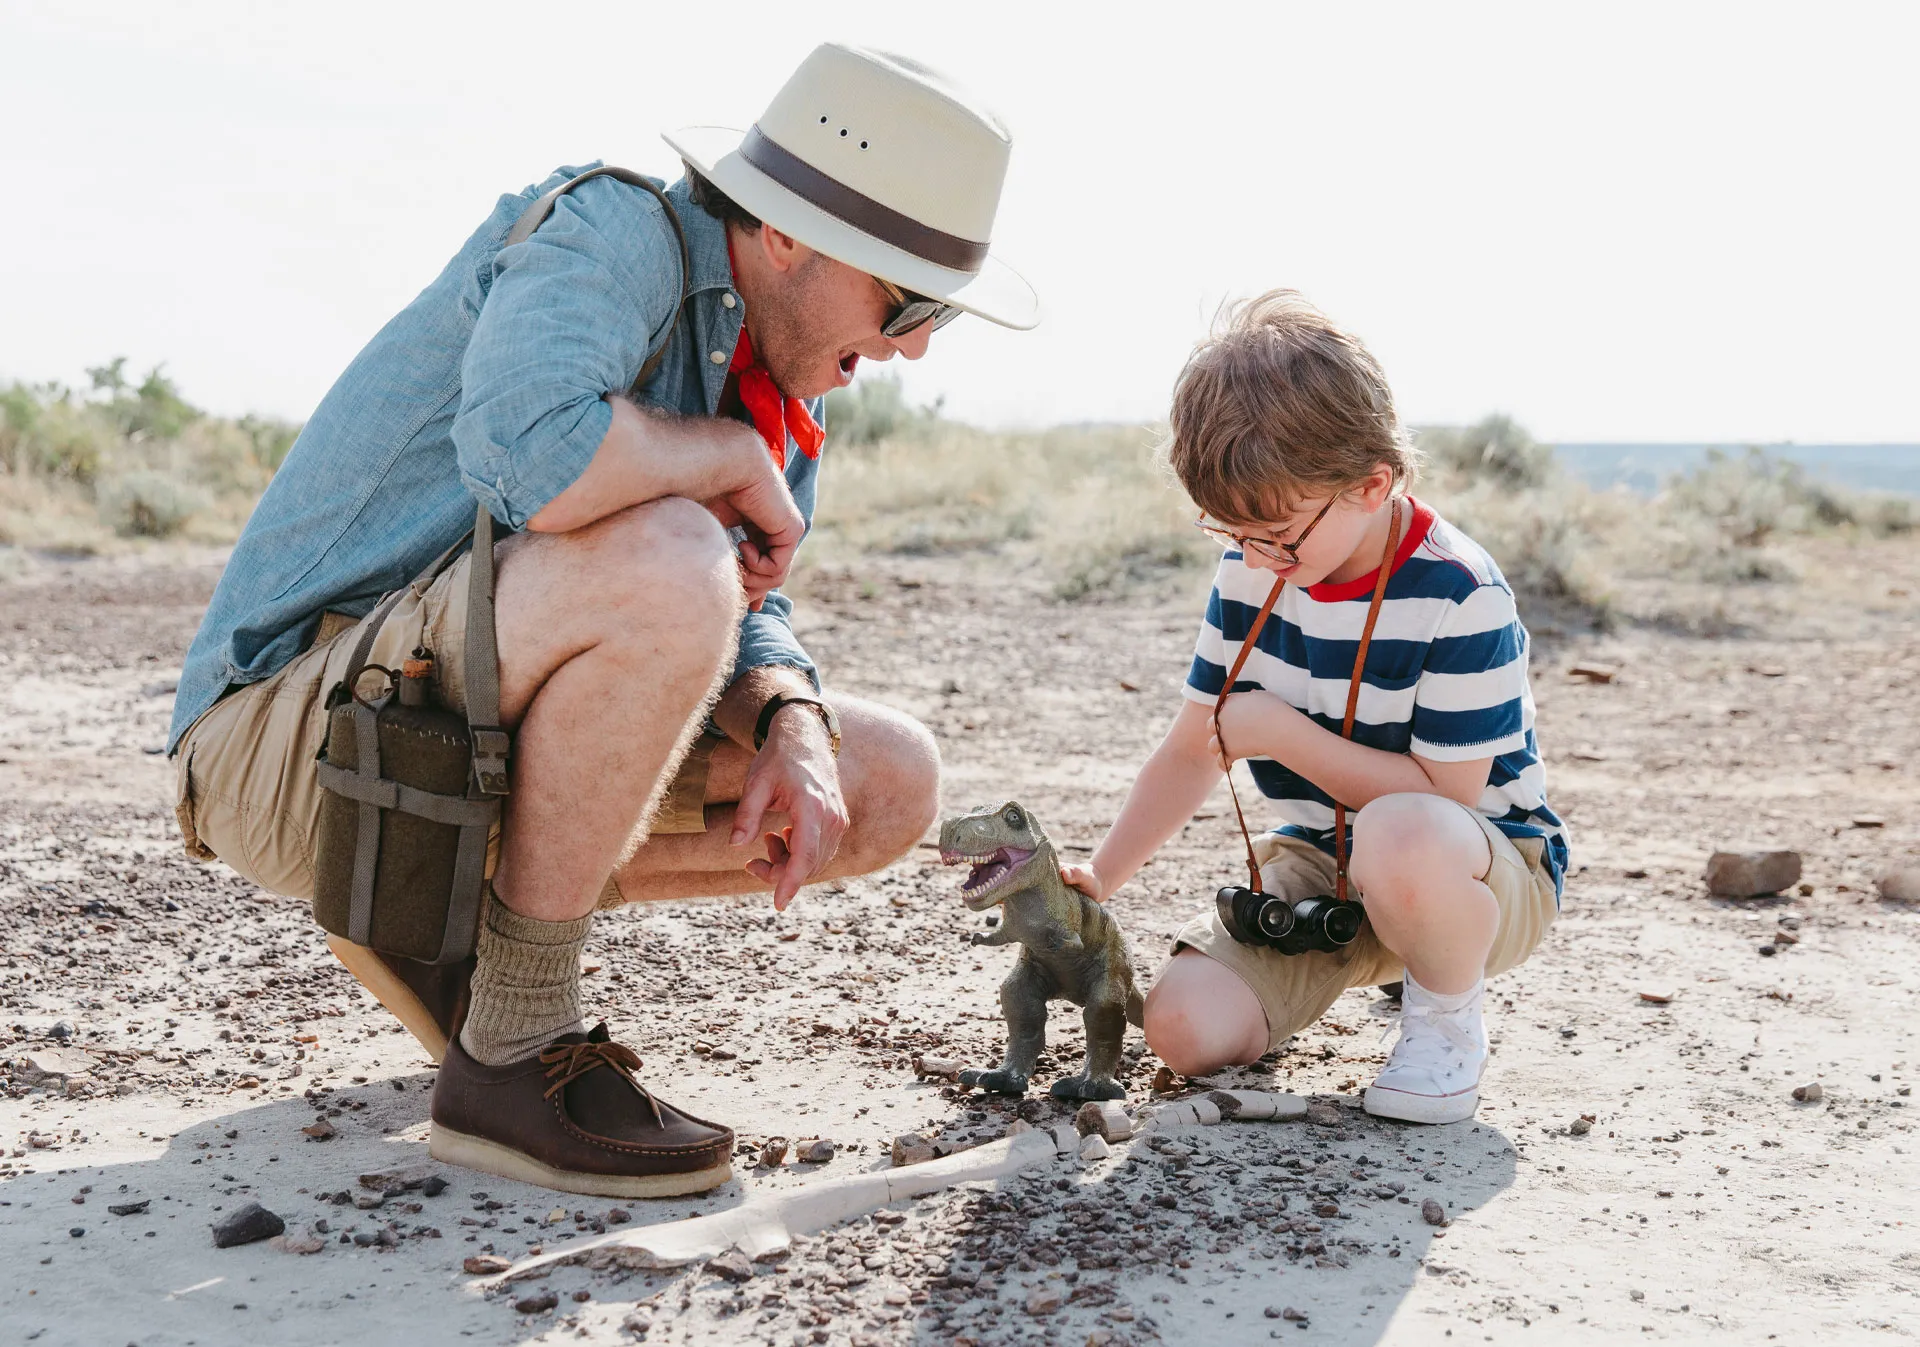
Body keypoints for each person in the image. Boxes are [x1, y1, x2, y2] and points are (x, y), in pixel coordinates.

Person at [166, 43, 1037, 1196]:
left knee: (882, 780)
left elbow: (732, 610)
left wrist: (789, 714)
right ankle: (516, 1045)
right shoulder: (614, 231)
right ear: (786, 234)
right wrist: (723, 457)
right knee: (674, 553)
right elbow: (532, 456)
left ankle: (438, 917)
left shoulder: (775, 383)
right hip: (287, 743)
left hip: (438, 750)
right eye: (908, 298)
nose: (917, 343)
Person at [1060, 292, 1567, 1125]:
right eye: (1231, 533)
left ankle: (1442, 1017)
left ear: (1372, 484)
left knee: (1399, 834)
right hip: (1326, 866)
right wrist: (1102, 875)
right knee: (1181, 1027)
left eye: (1280, 536)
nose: (1259, 557)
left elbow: (1447, 794)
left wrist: (1280, 734)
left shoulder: (1459, 590)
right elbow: (1195, 749)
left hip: (1474, 863)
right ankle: (1328, 971)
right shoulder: (1252, 569)